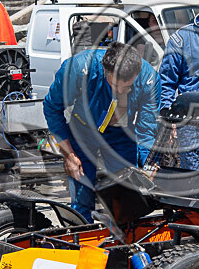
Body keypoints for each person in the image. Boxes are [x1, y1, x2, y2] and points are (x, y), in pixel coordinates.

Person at [43, 43, 161, 222]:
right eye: (114, 85)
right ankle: (81, 235)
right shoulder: (78, 68)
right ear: (106, 70)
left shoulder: (149, 80)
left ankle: (126, 239)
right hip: (82, 131)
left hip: (121, 135)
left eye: (127, 86)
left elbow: (146, 130)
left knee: (126, 194)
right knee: (82, 193)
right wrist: (68, 154)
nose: (120, 91)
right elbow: (52, 108)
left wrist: (148, 166)